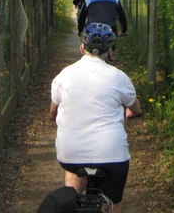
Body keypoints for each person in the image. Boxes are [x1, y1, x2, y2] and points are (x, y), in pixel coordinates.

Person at [49, 23, 142, 213]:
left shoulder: (64, 75)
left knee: (74, 169)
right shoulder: (119, 77)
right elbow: (135, 108)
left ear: (81, 48)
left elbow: (53, 112)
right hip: (112, 155)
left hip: (70, 153)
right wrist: (129, 114)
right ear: (109, 52)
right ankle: (111, 205)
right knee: (114, 204)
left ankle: (71, 197)